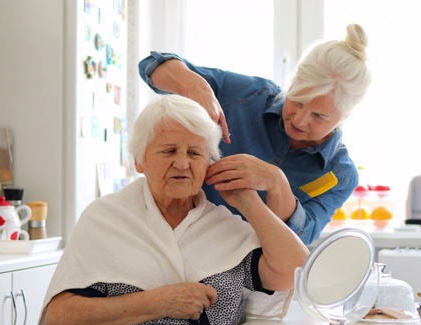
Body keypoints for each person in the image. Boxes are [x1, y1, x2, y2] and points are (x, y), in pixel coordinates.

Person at [37, 94, 309, 325]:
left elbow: (294, 271)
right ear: (138, 161)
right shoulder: (105, 217)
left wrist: (249, 201)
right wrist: (161, 302)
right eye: (168, 151)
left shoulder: (223, 225)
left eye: (194, 153)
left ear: (208, 164)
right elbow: (60, 322)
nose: (182, 163)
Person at [138, 24, 372, 245]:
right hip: (171, 237)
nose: (300, 120)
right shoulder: (246, 95)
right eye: (297, 101)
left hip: (253, 275)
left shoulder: (339, 175)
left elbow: (300, 238)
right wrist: (192, 84)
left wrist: (276, 183)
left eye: (319, 116)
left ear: (345, 117)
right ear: (291, 84)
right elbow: (150, 66)